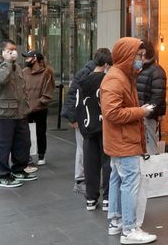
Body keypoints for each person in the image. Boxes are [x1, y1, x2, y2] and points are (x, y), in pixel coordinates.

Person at [101, 37, 157, 244]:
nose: (141, 60)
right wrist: (141, 111)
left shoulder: (123, 75)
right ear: (127, 56)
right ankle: (129, 228)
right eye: (138, 56)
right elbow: (112, 113)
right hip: (124, 141)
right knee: (129, 183)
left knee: (118, 179)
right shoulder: (117, 79)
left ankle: (117, 222)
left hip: (121, 140)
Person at [0, 40, 36, 188]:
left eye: (14, 49)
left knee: (23, 143)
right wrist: (7, 62)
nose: (13, 52)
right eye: (10, 50)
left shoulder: (17, 66)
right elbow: (0, 78)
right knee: (1, 144)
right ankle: (3, 174)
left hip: (20, 112)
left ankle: (19, 169)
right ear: (1, 51)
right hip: (3, 113)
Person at [73, 48, 113, 212]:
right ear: (106, 64)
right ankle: (108, 199)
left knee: (90, 164)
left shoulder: (83, 80)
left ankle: (91, 198)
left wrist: (79, 123)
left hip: (87, 127)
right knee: (107, 163)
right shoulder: (106, 81)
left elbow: (77, 105)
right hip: (104, 127)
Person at [63, 50, 108, 194]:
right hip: (84, 117)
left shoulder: (88, 72)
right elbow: (73, 95)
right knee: (83, 149)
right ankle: (80, 180)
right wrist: (73, 117)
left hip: (87, 118)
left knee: (86, 149)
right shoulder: (86, 74)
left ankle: (87, 180)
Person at [22, 50, 55, 166]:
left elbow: (48, 93)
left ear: (35, 58)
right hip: (26, 108)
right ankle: (28, 155)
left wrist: (37, 104)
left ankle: (41, 155)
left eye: (28, 57)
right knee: (26, 133)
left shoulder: (47, 73)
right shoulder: (24, 72)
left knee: (40, 132)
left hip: (40, 109)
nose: (26, 60)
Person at [136, 40, 167, 156]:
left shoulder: (157, 71)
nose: (138, 57)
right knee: (143, 147)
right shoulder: (141, 69)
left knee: (150, 147)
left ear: (145, 53)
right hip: (140, 114)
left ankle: (152, 171)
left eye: (140, 54)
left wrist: (146, 112)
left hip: (148, 116)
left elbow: (158, 98)